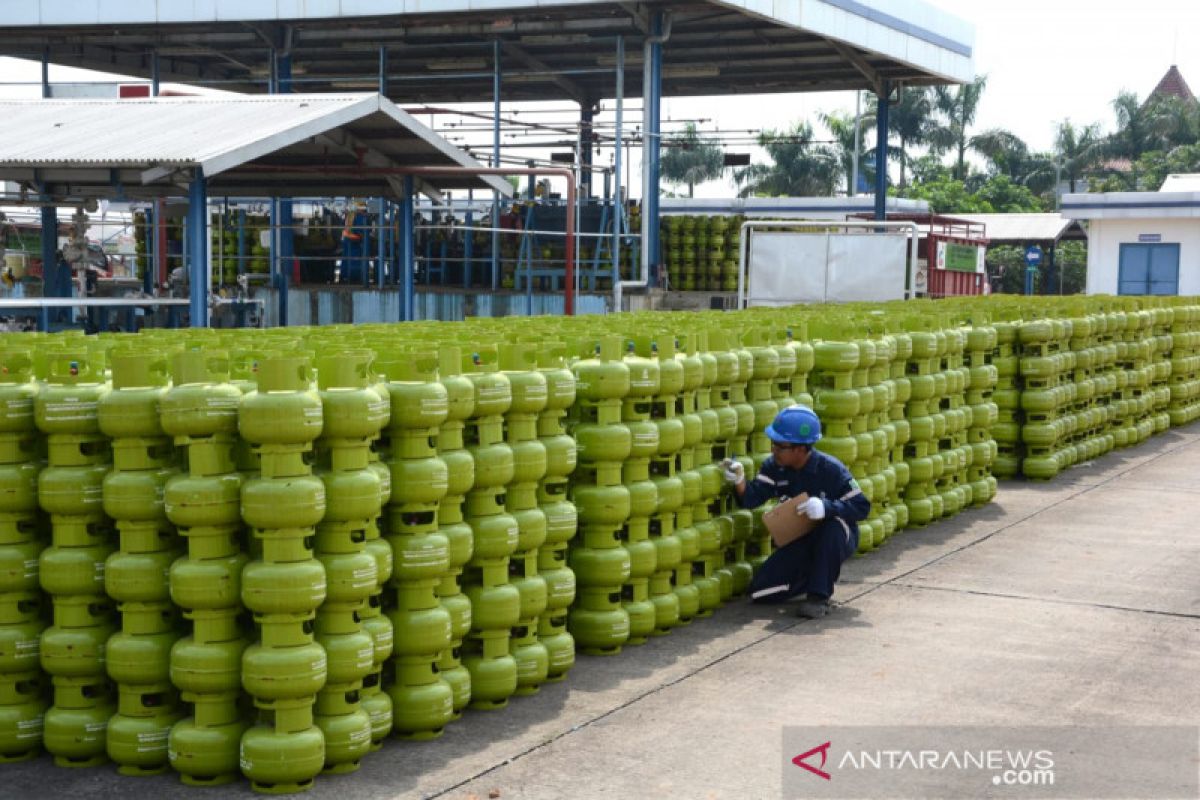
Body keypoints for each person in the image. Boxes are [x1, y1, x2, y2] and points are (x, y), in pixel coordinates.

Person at [722, 405, 870, 619]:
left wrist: (826, 507)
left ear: (801, 449)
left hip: (836, 536)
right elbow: (751, 498)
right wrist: (739, 481)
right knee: (761, 591)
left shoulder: (831, 470)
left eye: (780, 446)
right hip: (802, 538)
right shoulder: (775, 467)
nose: (774, 450)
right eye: (773, 444)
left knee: (831, 527)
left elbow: (861, 506)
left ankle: (818, 596)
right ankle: (813, 576)